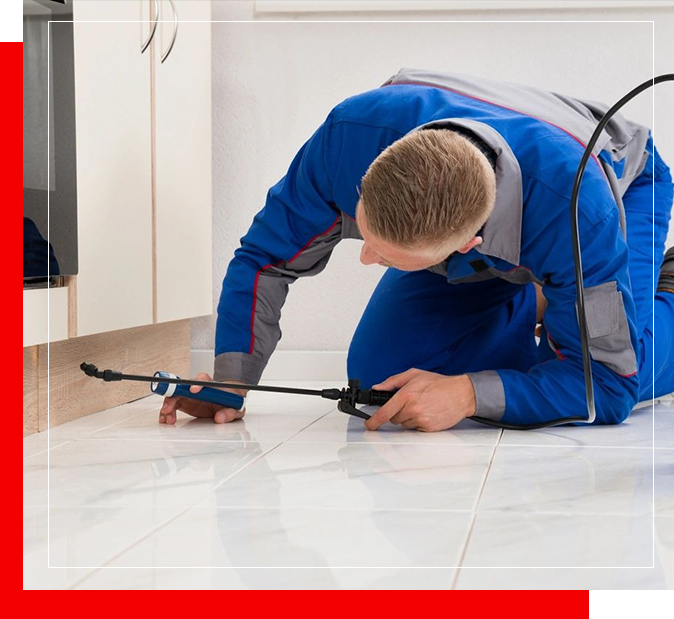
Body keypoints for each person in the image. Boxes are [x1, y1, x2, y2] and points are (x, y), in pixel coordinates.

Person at [159, 68, 674, 432]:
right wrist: (232, 380)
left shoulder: (581, 214)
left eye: (385, 255)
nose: (365, 257)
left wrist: (471, 394)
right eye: (369, 238)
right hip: (511, 215)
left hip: (623, 184)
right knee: (380, 380)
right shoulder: (346, 141)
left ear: (467, 248)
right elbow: (263, 261)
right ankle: (549, 301)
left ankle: (640, 294)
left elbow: (604, 384)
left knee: (622, 364)